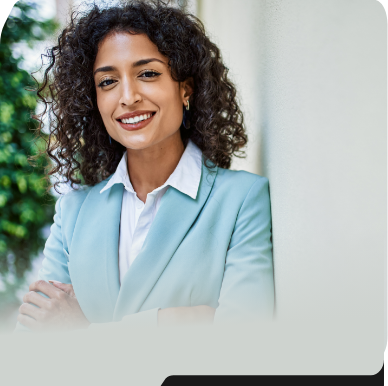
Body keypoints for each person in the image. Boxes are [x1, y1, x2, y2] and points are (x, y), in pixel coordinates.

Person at [15, 0, 274, 332]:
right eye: (107, 82)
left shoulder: (242, 200)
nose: (128, 96)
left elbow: (243, 340)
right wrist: (184, 322)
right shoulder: (72, 215)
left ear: (185, 88)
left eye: (148, 73)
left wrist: (82, 331)